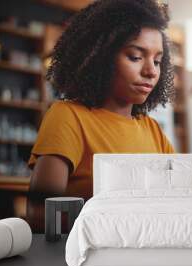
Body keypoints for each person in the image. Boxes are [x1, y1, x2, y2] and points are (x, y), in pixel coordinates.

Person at [28, 0, 175, 214]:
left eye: (157, 61)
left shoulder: (153, 131)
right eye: (135, 57)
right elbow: (41, 214)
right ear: (100, 57)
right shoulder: (69, 116)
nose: (151, 71)